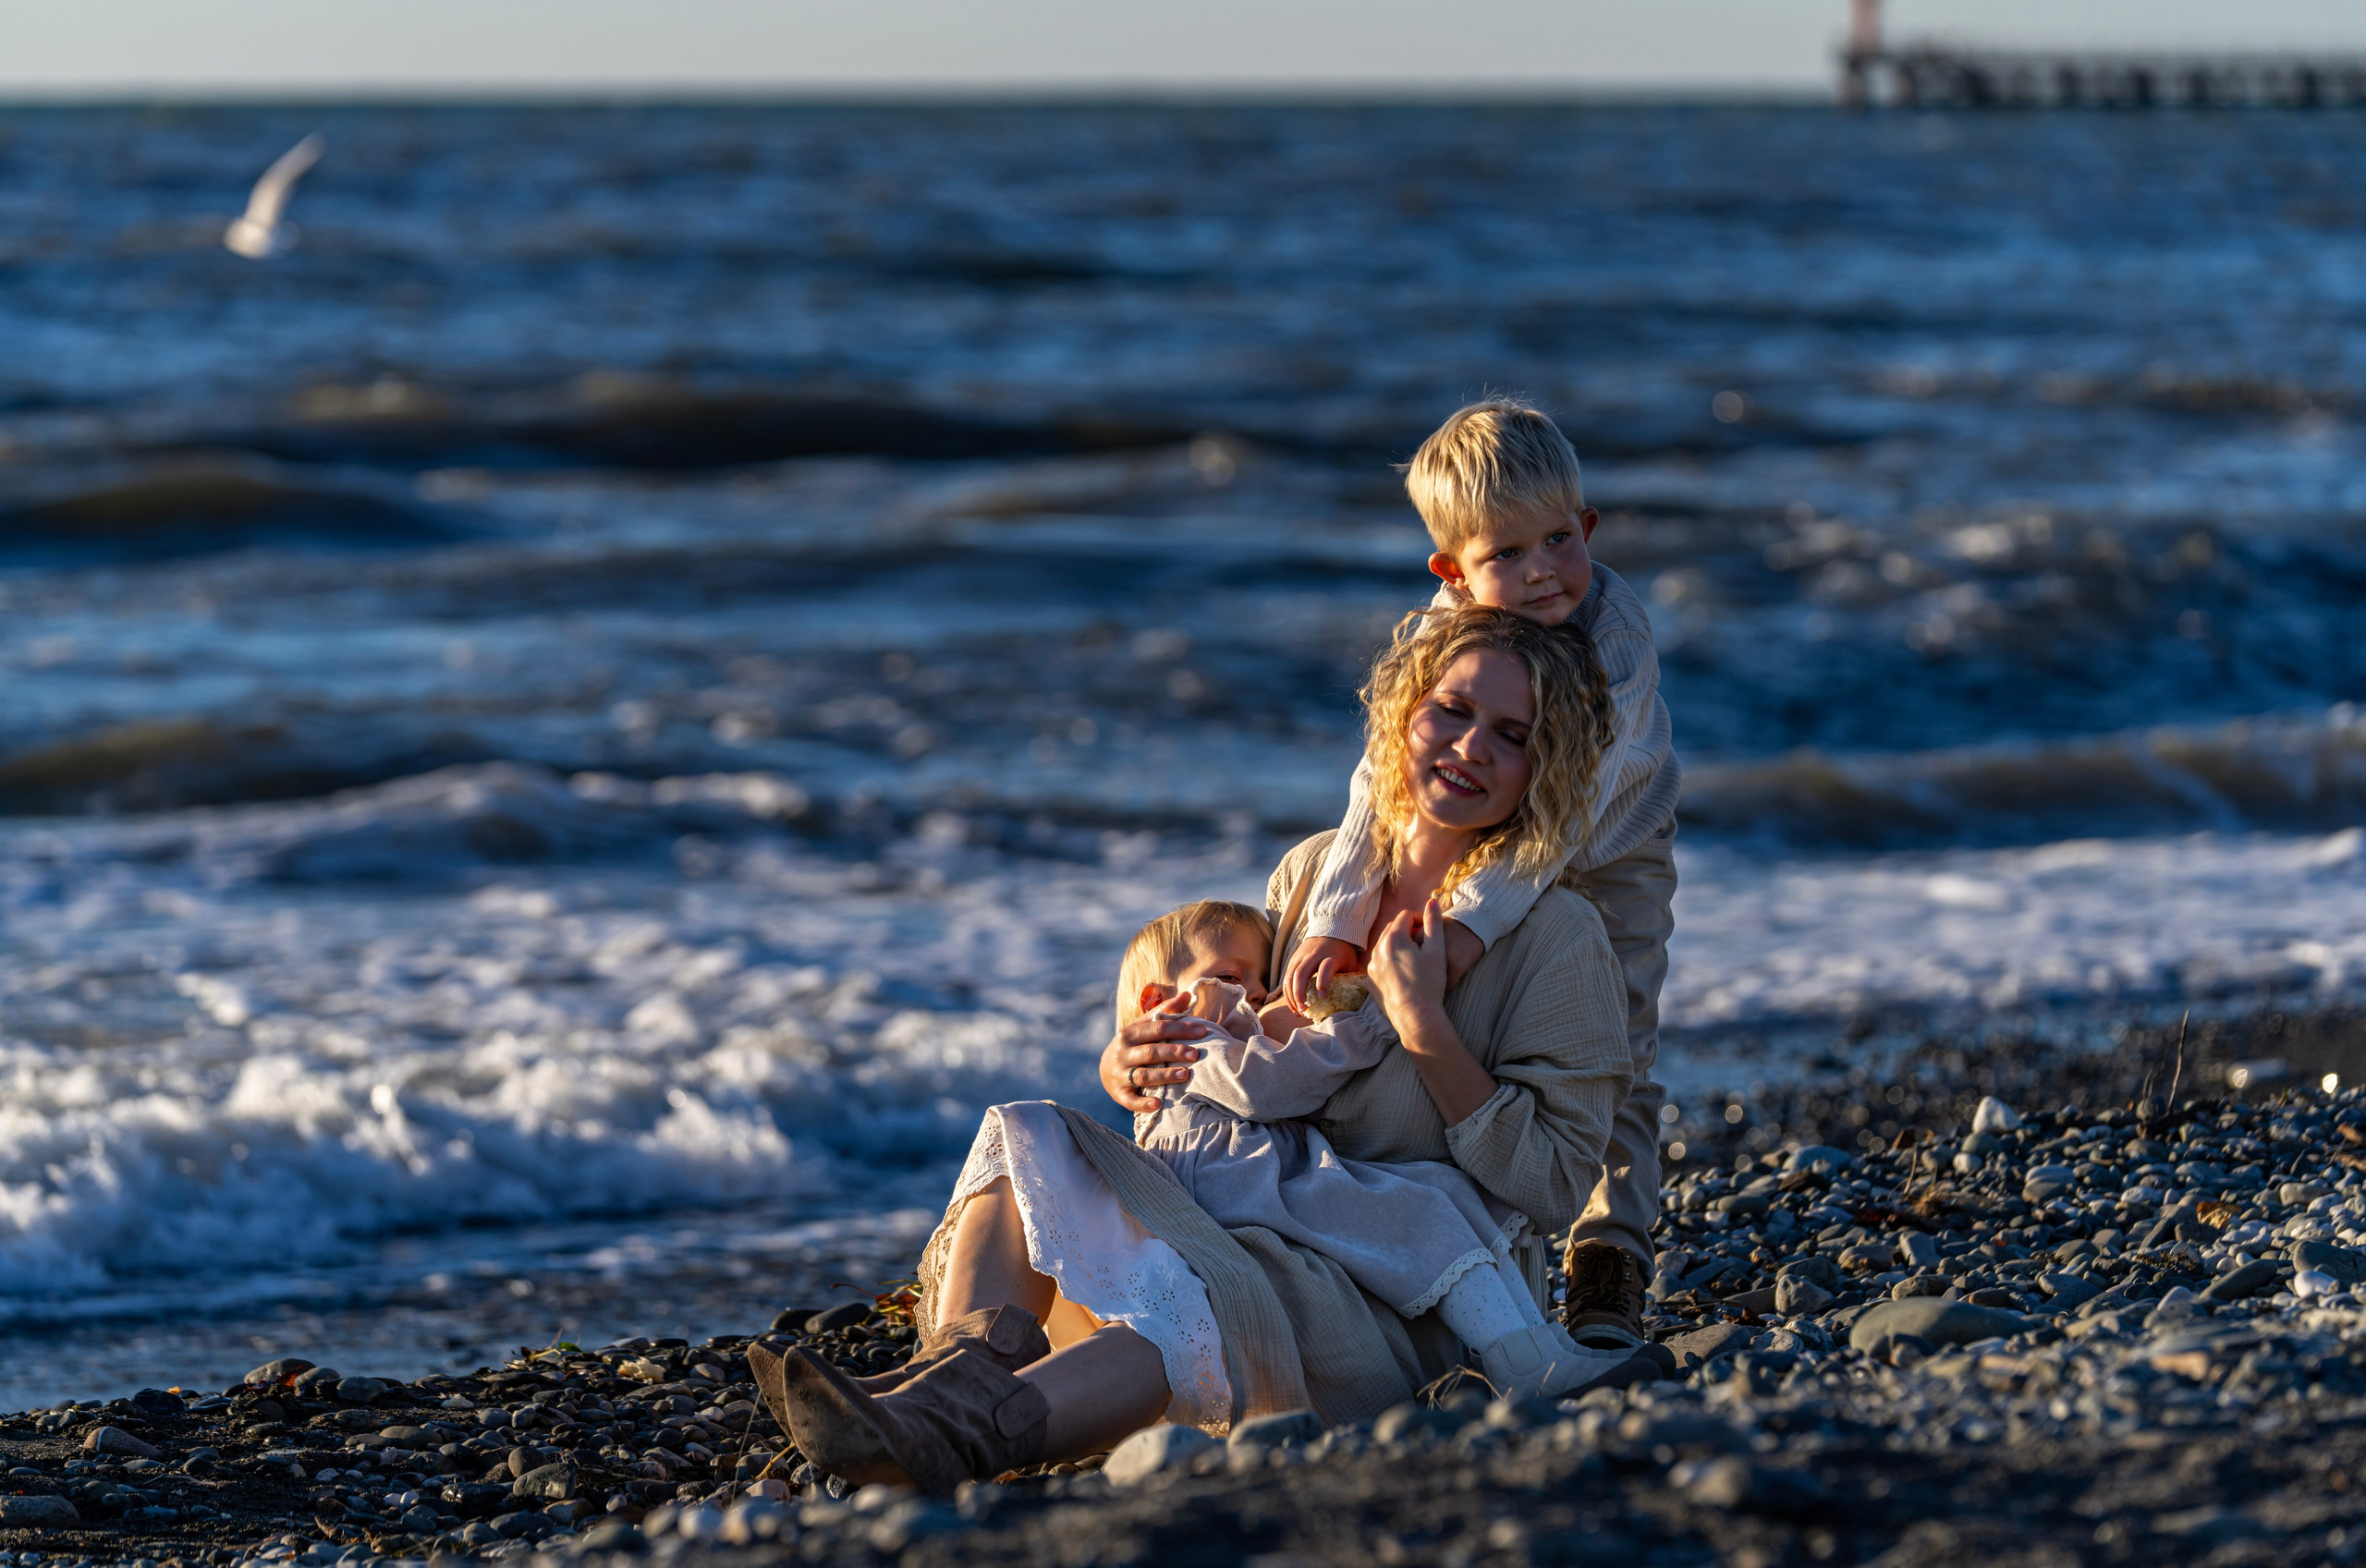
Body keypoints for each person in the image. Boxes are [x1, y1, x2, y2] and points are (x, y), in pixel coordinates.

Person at [751, 607, 1645, 1496]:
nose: (1470, 744)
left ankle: (956, 1439)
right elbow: (1234, 1036)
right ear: (1405, 712)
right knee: (1030, 1134)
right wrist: (1128, 1064)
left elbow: (1554, 1183)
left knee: (1194, 1296)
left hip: (1402, 1287)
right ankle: (941, 1384)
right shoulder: (1316, 875)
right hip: (1242, 1203)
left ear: (1545, 766)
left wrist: (1426, 1028)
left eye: (1511, 733)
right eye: (1451, 710)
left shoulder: (1555, 934)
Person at [1132, 395, 1682, 1350]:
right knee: (1403, 982)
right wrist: (1339, 920)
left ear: (1587, 526)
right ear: (1453, 571)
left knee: (1618, 1045)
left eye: (1558, 539)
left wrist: (1468, 926)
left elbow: (1560, 822)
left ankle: (1609, 1247)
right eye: (1505, 555)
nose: (1542, 571)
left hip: (1606, 840)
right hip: (1498, 812)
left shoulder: (1617, 640)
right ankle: (1375, 1193)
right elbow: (1373, 791)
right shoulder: (1446, 629)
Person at [1117, 888, 1626, 1402]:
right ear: (1158, 1002)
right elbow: (1266, 1085)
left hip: (1267, 1181)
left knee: (1442, 1187)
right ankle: (1520, 1364)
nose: (1255, 994)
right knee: (1410, 1217)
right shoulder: (1183, 1047)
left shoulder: (1212, 1036)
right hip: (1240, 1192)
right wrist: (1378, 1017)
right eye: (1230, 978)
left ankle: (1540, 1346)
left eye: (1263, 980)